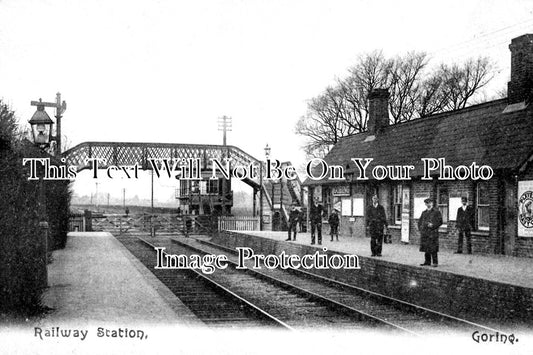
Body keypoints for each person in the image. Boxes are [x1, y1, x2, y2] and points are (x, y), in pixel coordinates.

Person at [418, 198, 443, 267]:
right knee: (426, 247)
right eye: (427, 203)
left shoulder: (436, 212)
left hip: (433, 232)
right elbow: (420, 222)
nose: (428, 204)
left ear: (432, 203)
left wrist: (433, 225)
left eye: (430, 203)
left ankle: (435, 262)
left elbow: (440, 221)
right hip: (425, 233)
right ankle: (427, 261)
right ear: (425, 204)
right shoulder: (424, 212)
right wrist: (421, 229)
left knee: (433, 248)